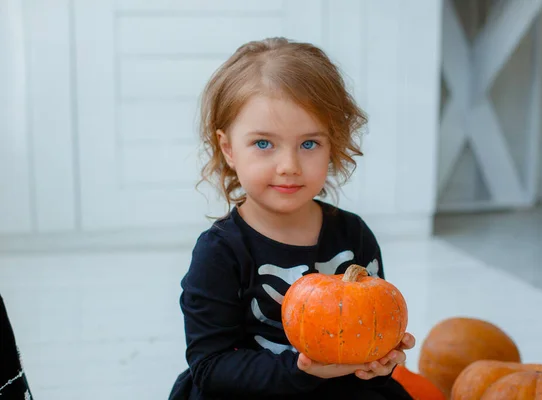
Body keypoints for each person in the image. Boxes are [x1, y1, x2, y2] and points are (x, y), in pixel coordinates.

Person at [168, 37, 415, 400]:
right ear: (228, 148)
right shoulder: (220, 251)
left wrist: (378, 366)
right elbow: (211, 366)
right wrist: (304, 369)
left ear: (333, 144)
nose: (289, 167)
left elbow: (372, 328)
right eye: (264, 144)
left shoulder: (353, 235)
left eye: (309, 144)